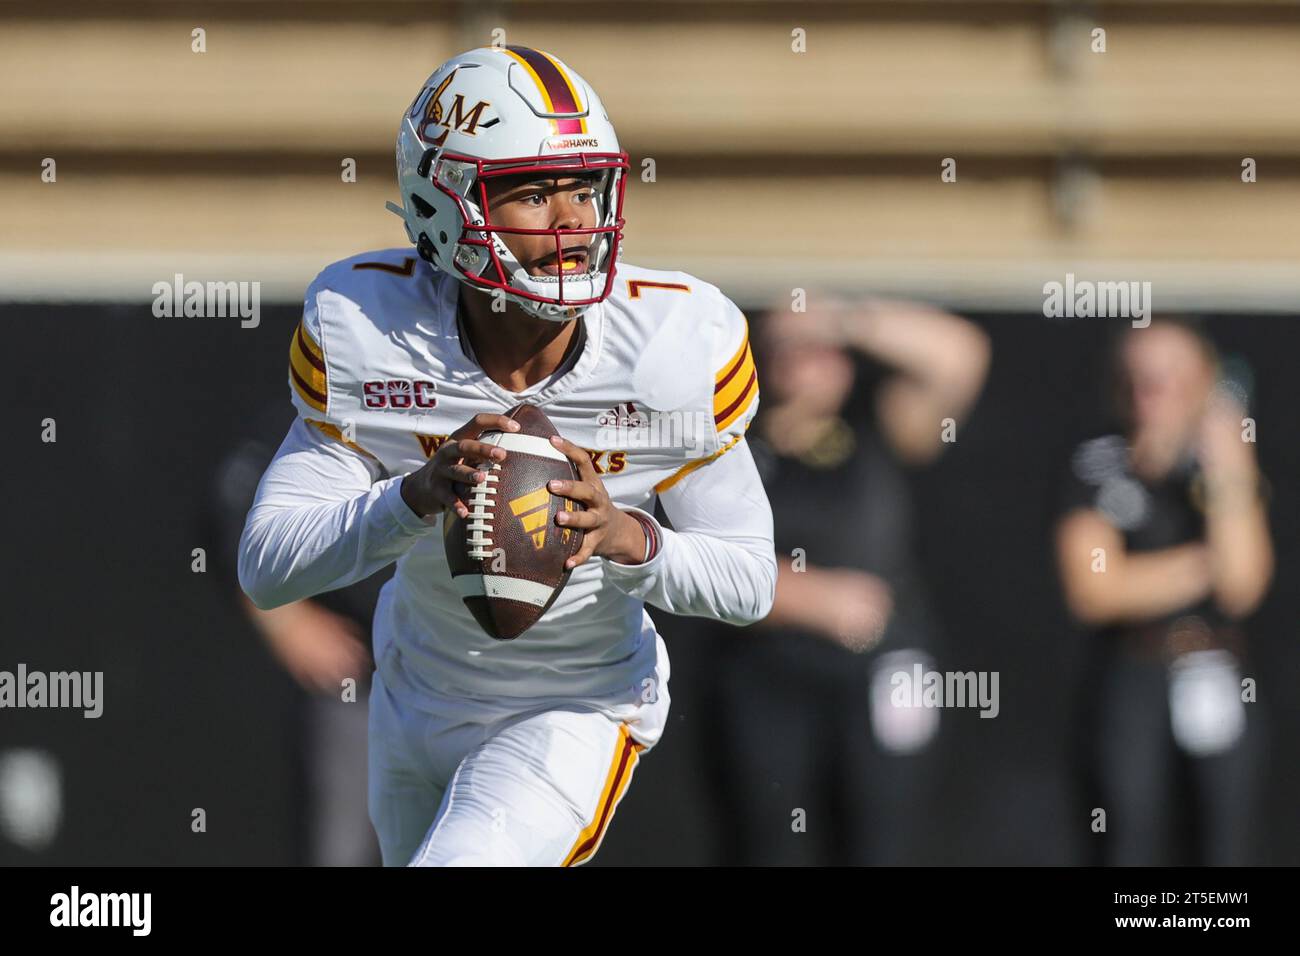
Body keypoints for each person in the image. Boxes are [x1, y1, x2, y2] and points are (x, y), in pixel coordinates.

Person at [236, 46, 776, 867]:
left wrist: (632, 539)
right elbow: (268, 566)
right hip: (413, 693)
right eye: (531, 190)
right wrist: (410, 499)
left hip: (574, 704)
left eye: (583, 185)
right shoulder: (370, 327)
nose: (571, 217)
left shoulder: (674, 344)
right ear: (441, 206)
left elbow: (750, 582)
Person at [708, 294, 989, 864]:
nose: (800, 360)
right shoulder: (731, 442)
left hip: (878, 668)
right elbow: (694, 558)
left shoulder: (875, 423)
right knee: (767, 846)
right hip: (768, 671)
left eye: (816, 349)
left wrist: (838, 316)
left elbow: (961, 354)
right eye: (784, 347)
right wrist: (810, 598)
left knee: (880, 843)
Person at [1055, 316, 1273, 865]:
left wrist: (1227, 470)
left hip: (1214, 666)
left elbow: (1242, 583)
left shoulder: (1220, 464)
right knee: (1126, 836)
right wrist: (1202, 565)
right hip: (1133, 669)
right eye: (1139, 376)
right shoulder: (1098, 461)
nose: (1152, 391)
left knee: (1224, 845)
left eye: (1169, 376)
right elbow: (1095, 590)